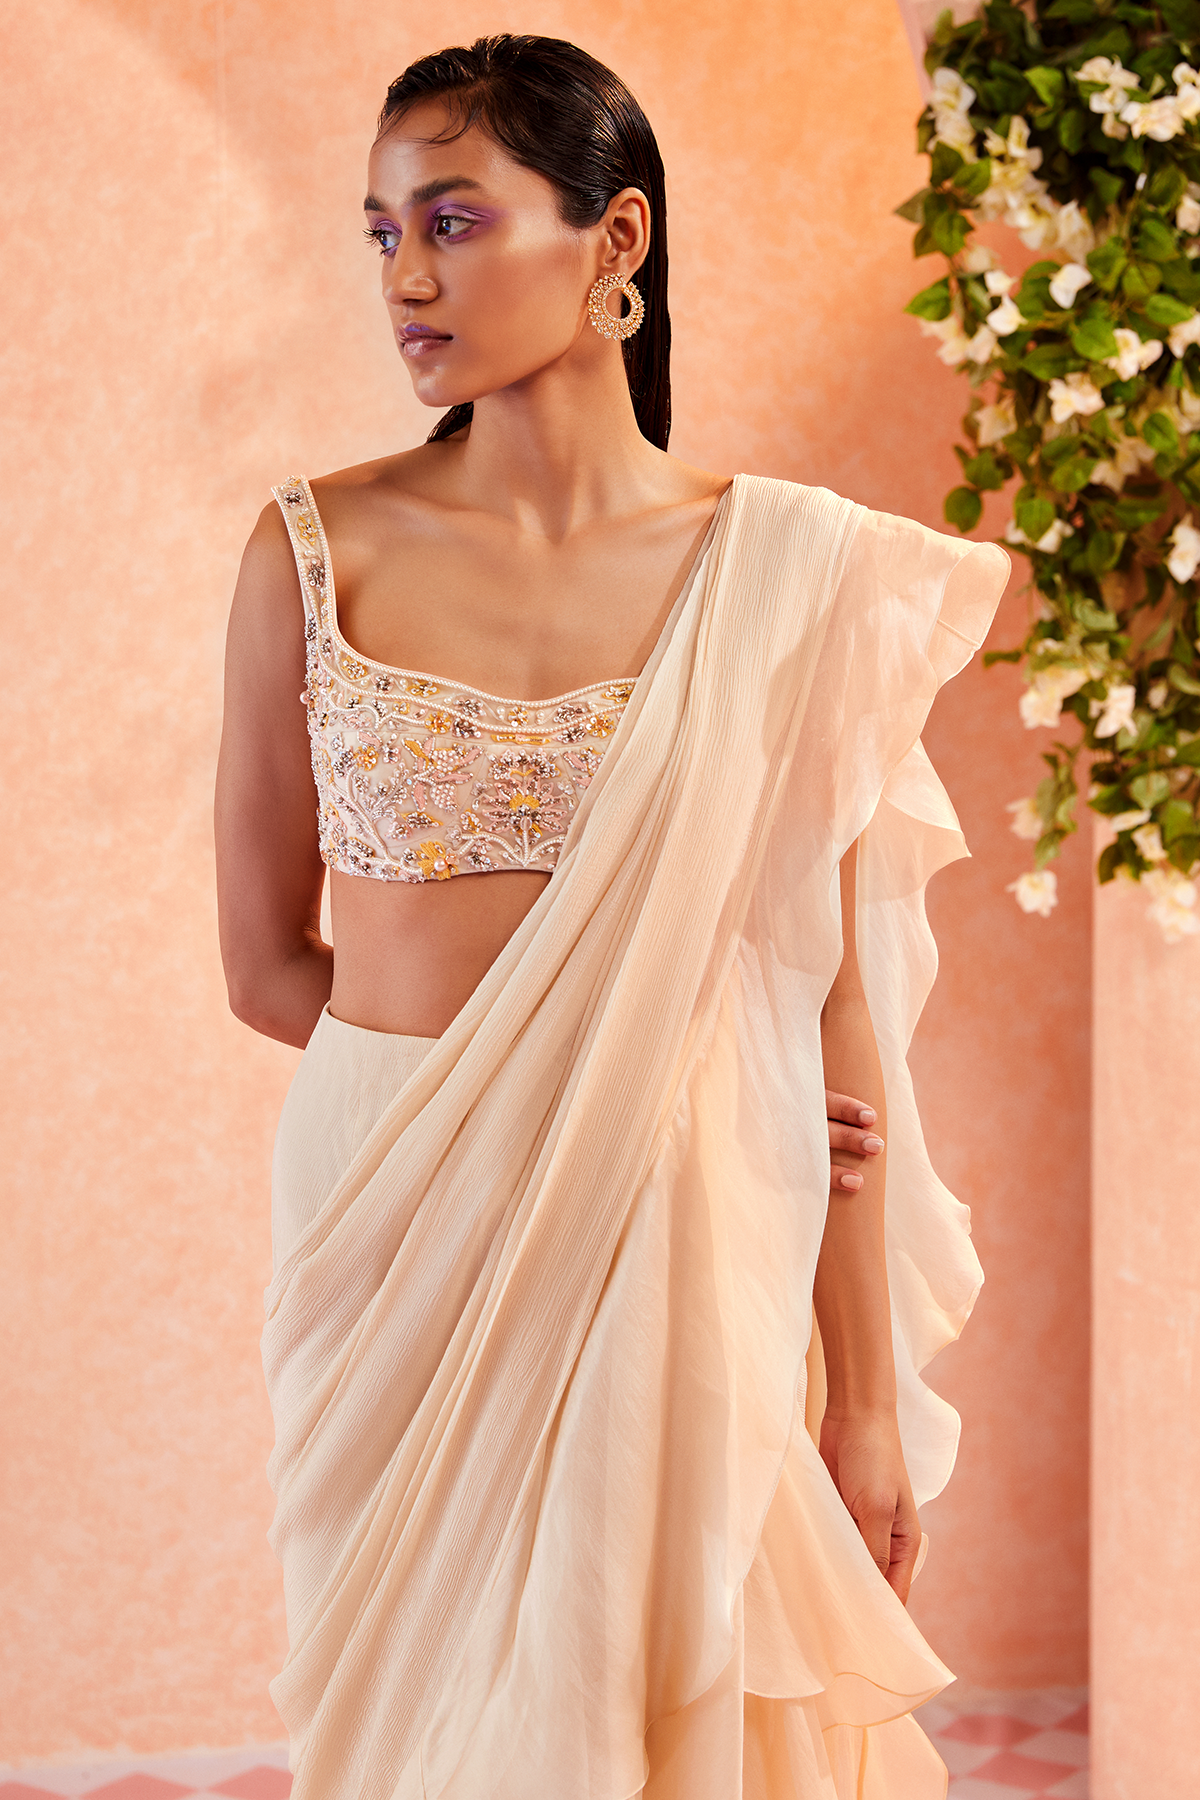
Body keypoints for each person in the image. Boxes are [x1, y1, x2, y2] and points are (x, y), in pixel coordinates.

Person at [214, 34, 1008, 1800]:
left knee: (648, 1712)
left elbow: (826, 1006)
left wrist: (867, 1401)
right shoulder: (311, 552)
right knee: (415, 1739)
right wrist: (552, 1083)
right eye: (382, 232)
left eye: (454, 220)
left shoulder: (788, 572)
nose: (405, 277)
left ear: (616, 239)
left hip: (675, 1216)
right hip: (390, 1227)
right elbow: (265, 964)